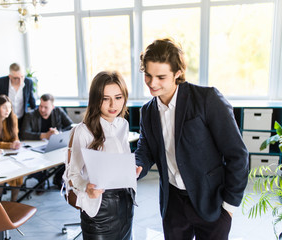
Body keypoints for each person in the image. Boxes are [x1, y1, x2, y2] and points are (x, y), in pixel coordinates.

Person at [135, 38, 249, 240]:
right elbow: (145, 151)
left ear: (177, 73)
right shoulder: (147, 112)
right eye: (148, 75)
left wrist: (229, 207)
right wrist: (135, 167)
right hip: (172, 205)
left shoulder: (207, 99)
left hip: (211, 202)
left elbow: (237, 154)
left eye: (161, 77)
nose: (152, 84)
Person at [66, 71, 138, 240]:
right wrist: (86, 187)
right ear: (95, 99)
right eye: (105, 98)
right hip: (99, 209)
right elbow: (72, 174)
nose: (113, 104)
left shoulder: (123, 124)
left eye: (118, 97)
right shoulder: (82, 131)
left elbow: (117, 161)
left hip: (125, 204)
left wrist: (129, 171)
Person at [0, 63, 36, 128]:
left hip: (22, 120)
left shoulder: (28, 82)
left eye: (22, 77)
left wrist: (36, 114)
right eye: (16, 78)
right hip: (4, 121)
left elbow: (31, 99)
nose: (20, 81)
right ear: (10, 76)